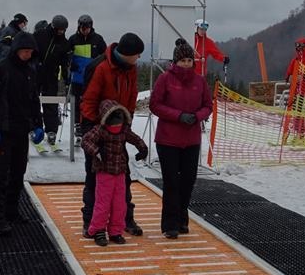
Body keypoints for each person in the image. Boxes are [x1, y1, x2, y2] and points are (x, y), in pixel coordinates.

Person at [80, 31, 145, 237]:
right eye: (137, 54)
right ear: (127, 54)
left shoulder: (131, 68)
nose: (139, 58)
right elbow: (89, 100)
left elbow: (132, 94)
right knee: (95, 177)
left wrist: (127, 120)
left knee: (123, 176)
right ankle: (90, 221)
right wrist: (96, 130)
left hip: (119, 128)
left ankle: (126, 219)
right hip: (98, 128)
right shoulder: (100, 67)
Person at [0, 30, 44, 235]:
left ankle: (11, 211)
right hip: (3, 130)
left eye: (30, 52)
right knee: (0, 176)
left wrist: (38, 124)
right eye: (24, 51)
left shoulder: (30, 71)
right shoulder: (0, 69)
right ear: (16, 50)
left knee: (18, 174)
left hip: (21, 130)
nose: (27, 55)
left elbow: (33, 100)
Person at [149, 40, 212, 239]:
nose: (186, 64)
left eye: (189, 60)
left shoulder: (200, 81)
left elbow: (208, 105)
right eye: (182, 60)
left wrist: (197, 116)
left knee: (188, 181)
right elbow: (155, 105)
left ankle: (182, 218)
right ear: (175, 61)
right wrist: (178, 116)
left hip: (191, 140)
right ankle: (170, 224)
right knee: (171, 183)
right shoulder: (165, 79)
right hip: (168, 140)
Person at [81, 100, 148, 246]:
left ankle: (115, 231)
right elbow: (85, 141)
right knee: (103, 203)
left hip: (120, 172)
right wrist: (97, 151)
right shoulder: (99, 130)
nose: (116, 127)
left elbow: (135, 139)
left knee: (120, 204)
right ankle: (98, 230)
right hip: (104, 172)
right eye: (114, 124)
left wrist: (143, 148)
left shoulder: (124, 130)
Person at [67, 14, 107, 142]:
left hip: (92, 77)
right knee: (77, 102)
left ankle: (90, 124)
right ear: (79, 27)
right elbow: (66, 54)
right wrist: (70, 63)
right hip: (77, 77)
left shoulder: (97, 39)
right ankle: (77, 125)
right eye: (83, 28)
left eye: (87, 28)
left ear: (91, 27)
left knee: (91, 101)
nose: (85, 30)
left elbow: (105, 55)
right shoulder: (73, 39)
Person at [34, 14, 70, 146]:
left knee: (51, 103)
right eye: (59, 30)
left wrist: (67, 79)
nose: (61, 32)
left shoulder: (64, 43)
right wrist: (33, 64)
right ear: (53, 27)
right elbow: (31, 51)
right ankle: (34, 127)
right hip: (36, 73)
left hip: (51, 75)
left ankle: (51, 130)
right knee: (33, 101)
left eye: (63, 30)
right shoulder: (40, 35)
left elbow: (65, 63)